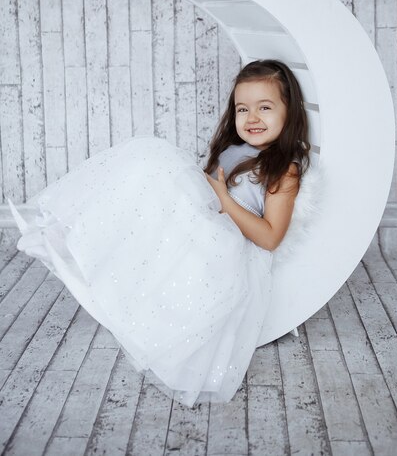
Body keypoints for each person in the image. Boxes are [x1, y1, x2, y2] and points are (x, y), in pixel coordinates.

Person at [8, 59, 310, 408]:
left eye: (265, 107)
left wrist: (224, 200)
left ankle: (82, 239)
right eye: (243, 109)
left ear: (290, 113)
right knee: (149, 166)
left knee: (154, 162)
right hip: (207, 221)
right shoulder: (233, 151)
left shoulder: (282, 170)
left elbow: (271, 237)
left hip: (228, 241)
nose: (252, 118)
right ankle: (79, 234)